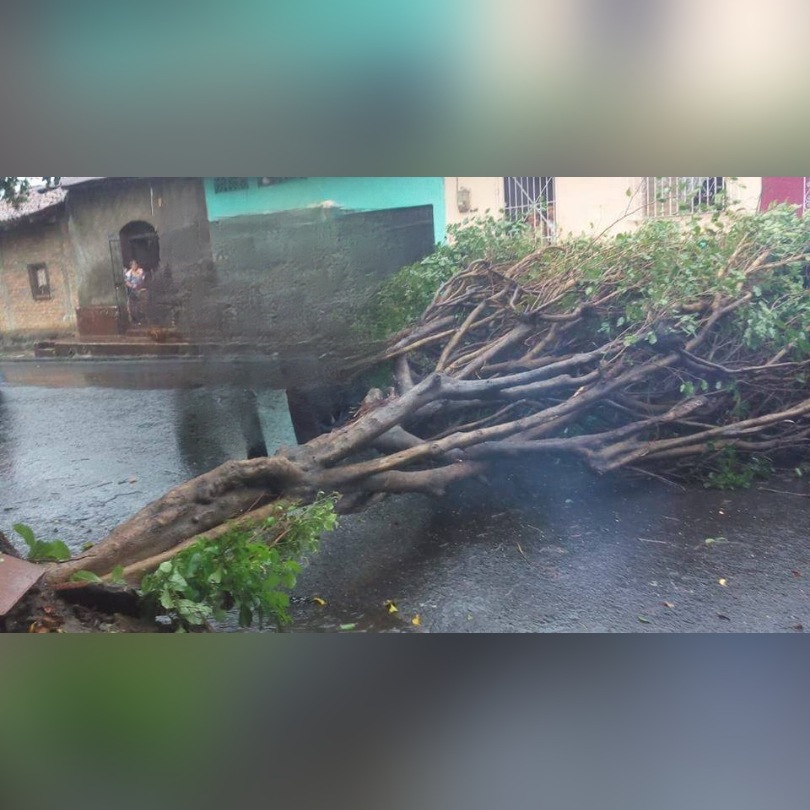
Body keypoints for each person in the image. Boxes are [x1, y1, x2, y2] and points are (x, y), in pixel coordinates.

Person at [124, 259, 149, 325]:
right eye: (133, 264)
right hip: (132, 291)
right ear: (131, 266)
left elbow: (142, 279)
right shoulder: (128, 273)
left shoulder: (141, 271)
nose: (135, 266)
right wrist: (132, 286)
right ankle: (135, 319)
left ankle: (144, 317)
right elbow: (126, 282)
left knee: (143, 301)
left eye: (135, 264)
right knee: (133, 304)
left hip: (141, 289)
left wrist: (139, 286)